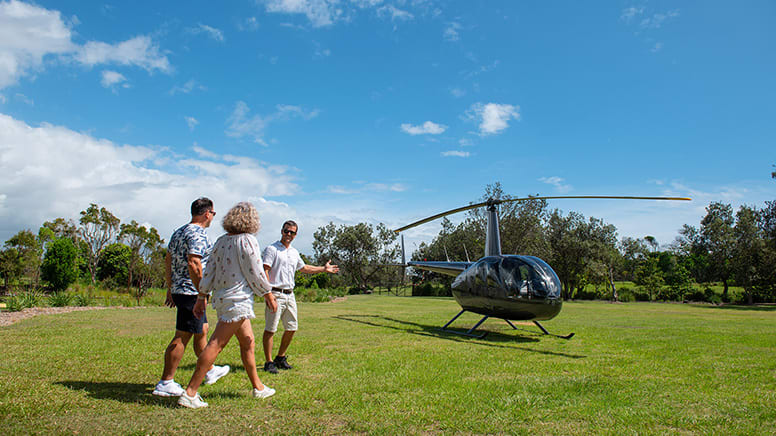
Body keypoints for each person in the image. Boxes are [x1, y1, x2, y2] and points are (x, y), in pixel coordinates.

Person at [178, 202, 276, 408]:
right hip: (237, 300)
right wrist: (267, 293)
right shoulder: (248, 240)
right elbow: (255, 271)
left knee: (248, 341)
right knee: (216, 344)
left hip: (222, 298)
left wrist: (201, 295)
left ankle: (258, 387)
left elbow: (209, 270)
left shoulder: (221, 242)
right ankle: (190, 392)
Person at [153, 198, 230, 397]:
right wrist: (201, 293)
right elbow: (194, 262)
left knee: (201, 330)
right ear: (207, 213)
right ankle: (166, 381)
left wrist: (171, 287)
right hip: (191, 293)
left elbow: (168, 259)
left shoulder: (178, 232)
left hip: (181, 290)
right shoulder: (198, 234)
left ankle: (210, 370)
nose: (213, 216)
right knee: (183, 335)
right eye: (213, 213)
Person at [261, 220, 339, 374]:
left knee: (291, 328)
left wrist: (323, 269)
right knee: (271, 329)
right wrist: (268, 293)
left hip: (290, 294)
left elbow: (304, 268)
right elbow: (265, 270)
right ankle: (269, 362)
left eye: (292, 232)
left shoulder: (294, 252)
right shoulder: (272, 249)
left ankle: (280, 357)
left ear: (296, 234)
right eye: (286, 231)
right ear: (281, 231)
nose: (288, 234)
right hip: (276, 293)